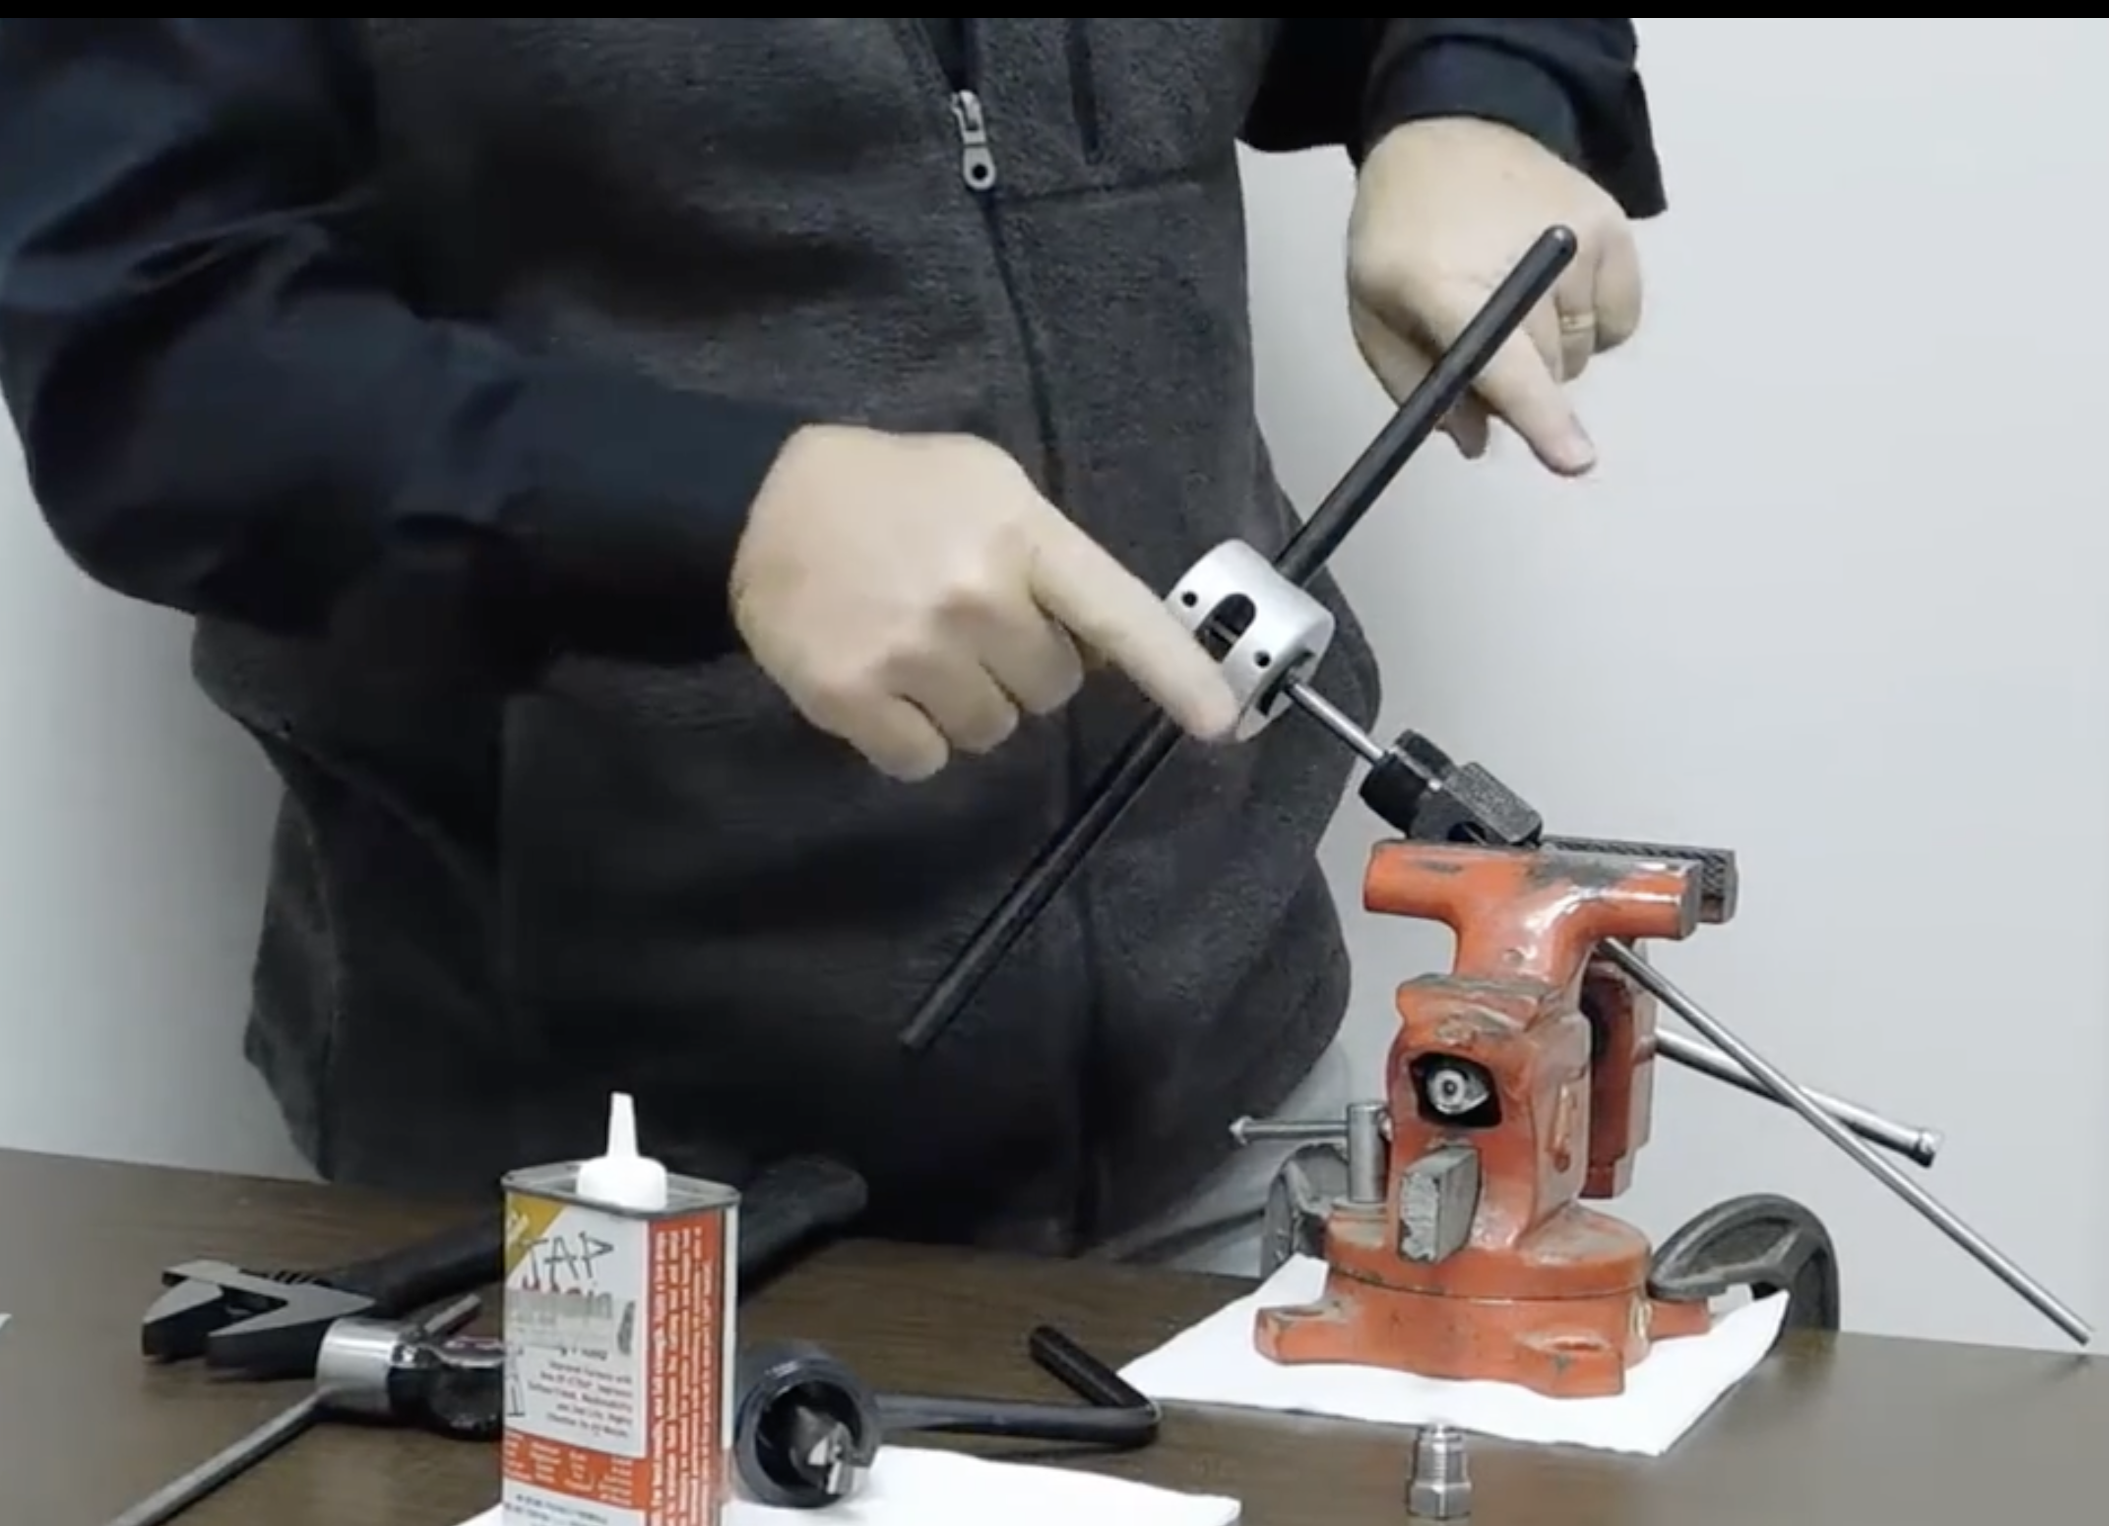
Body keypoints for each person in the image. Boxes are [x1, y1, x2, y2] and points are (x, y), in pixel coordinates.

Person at [0, 20, 1666, 1270]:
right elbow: (147, 364)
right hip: (602, 1200)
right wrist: (720, 509)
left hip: (1231, 1107)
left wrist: (1477, 87)